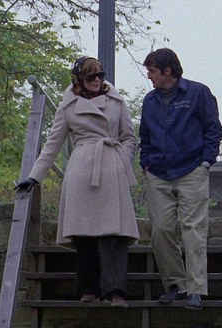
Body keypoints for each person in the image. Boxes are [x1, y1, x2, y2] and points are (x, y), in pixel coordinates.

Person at [15, 56, 139, 308]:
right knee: (85, 233)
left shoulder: (116, 100)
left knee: (114, 233)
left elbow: (129, 136)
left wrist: (121, 159)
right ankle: (88, 287)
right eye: (90, 76)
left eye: (100, 75)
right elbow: (53, 144)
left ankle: (116, 291)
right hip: (82, 170)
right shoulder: (68, 105)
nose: (97, 80)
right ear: (79, 79)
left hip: (111, 168)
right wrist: (33, 176)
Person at [139, 48, 222, 310]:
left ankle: (196, 290)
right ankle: (176, 286)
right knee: (161, 230)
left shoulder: (198, 93)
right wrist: (146, 162)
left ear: (167, 71)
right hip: (158, 173)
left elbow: (213, 129)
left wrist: (207, 161)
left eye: (152, 71)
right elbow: (145, 135)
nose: (149, 76)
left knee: (193, 230)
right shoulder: (150, 101)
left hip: (191, 170)